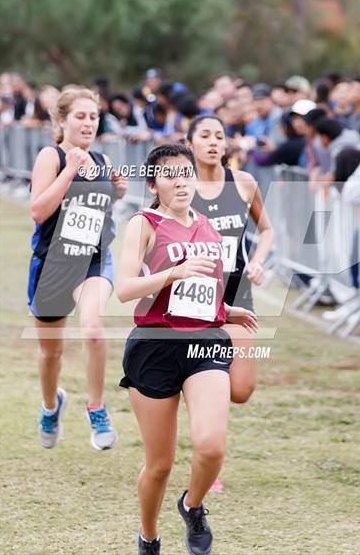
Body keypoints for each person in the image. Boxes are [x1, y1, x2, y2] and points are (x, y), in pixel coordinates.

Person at [117, 144, 257, 555]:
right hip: (154, 345)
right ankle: (148, 535)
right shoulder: (144, 223)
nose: (181, 181)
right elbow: (125, 290)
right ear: (154, 184)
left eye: (186, 173)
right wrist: (171, 272)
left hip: (204, 344)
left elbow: (200, 292)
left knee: (211, 445)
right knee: (159, 465)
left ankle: (192, 505)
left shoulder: (208, 227)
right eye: (170, 174)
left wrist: (226, 309)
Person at [28, 87, 127, 450]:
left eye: (93, 116)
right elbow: (38, 212)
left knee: (94, 329)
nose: (88, 123)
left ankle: (96, 408)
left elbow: (97, 212)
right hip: (53, 266)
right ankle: (51, 405)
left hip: (93, 261)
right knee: (51, 353)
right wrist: (69, 170)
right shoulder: (50, 157)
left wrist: (115, 192)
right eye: (80, 116)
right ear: (62, 121)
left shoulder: (101, 159)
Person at [187, 114, 273, 403]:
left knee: (241, 390)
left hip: (236, 293)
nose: (213, 142)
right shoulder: (179, 188)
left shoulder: (244, 182)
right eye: (205, 136)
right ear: (189, 143)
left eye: (219, 136)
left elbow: (267, 230)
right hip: (192, 295)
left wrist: (257, 261)